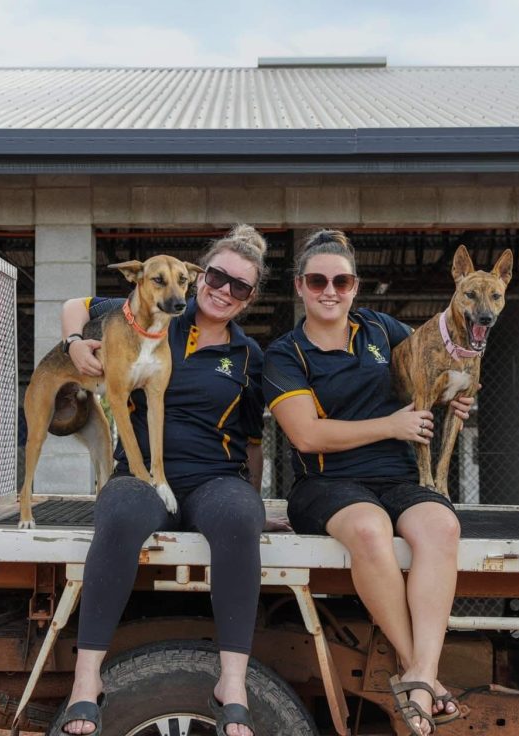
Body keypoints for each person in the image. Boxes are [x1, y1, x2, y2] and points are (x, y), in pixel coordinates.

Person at [55, 225, 269, 736]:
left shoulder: (248, 357)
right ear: (199, 276)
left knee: (242, 519)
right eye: (217, 276)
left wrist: (257, 501)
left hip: (216, 479)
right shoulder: (154, 309)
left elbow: (254, 441)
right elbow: (75, 304)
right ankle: (86, 681)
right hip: (144, 475)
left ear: (249, 299)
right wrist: (75, 345)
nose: (224, 290)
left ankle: (231, 683)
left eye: (239, 286)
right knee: (121, 513)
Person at [264, 230, 470, 736]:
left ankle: (420, 673)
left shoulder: (382, 329)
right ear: (300, 287)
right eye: (318, 281)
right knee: (372, 531)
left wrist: (453, 395)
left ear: (355, 286)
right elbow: (307, 435)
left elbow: (434, 366)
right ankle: (420, 673)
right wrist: (391, 426)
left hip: (397, 476)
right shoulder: (286, 353)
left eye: (341, 280)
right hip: (327, 483)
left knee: (442, 527)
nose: (329, 290)